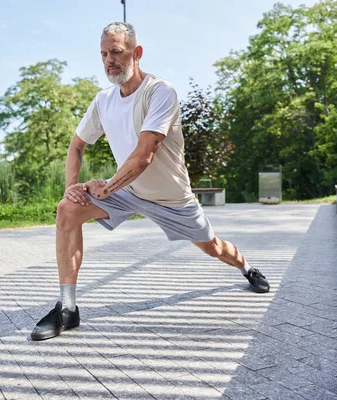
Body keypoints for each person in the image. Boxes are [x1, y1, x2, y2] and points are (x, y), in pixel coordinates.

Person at [30, 22, 270, 341]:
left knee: (213, 247)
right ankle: (68, 309)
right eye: (104, 54)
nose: (109, 60)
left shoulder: (160, 92)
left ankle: (246, 268)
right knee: (67, 210)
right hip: (127, 191)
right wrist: (71, 187)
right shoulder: (103, 101)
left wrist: (107, 186)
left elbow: (144, 155)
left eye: (116, 51)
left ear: (137, 53)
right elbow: (77, 145)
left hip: (172, 199)